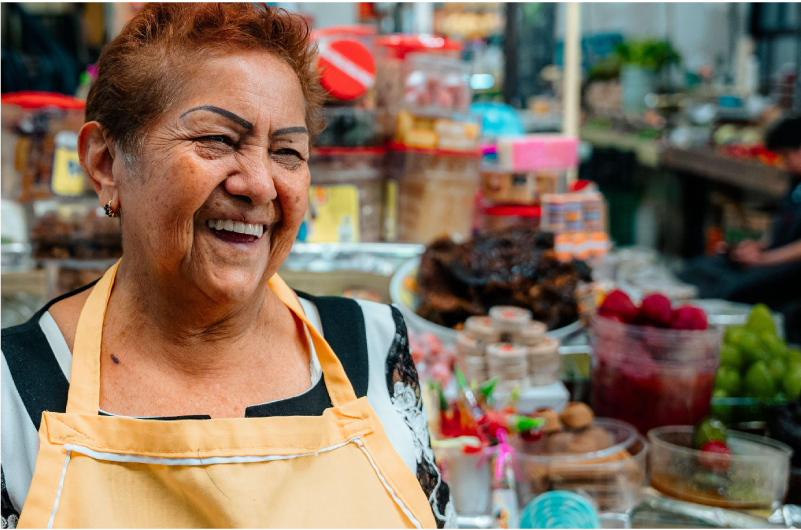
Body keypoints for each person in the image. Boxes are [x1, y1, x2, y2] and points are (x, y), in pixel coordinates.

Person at [0, 4, 454, 528]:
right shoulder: (13, 393)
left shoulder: (376, 350)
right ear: (105, 164)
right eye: (217, 140)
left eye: (287, 152)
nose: (260, 185)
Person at [679, 117, 801, 338]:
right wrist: (757, 247)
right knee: (699, 268)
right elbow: (783, 228)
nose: (783, 163)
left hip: (791, 269)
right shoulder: (796, 182)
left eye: (785, 156)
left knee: (732, 289)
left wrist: (765, 259)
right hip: (773, 257)